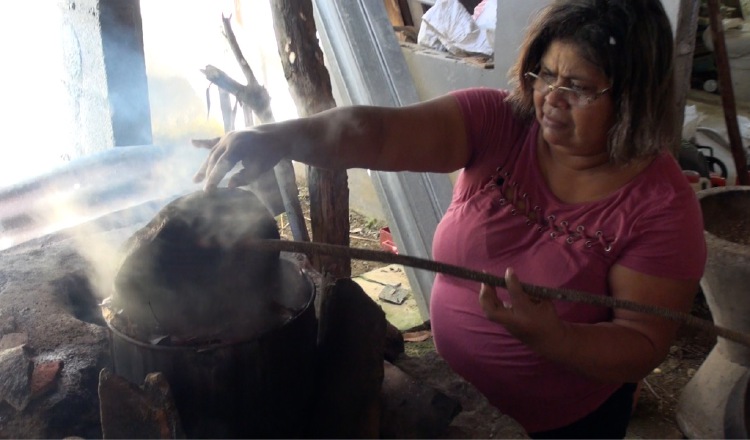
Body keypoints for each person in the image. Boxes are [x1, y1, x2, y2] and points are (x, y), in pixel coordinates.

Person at [193, 0, 707, 437]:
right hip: (443, 392)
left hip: (556, 425)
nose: (551, 98)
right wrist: (282, 137)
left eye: (578, 87)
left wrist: (557, 339)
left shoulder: (659, 207)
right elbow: (379, 134)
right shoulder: (500, 123)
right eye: (545, 74)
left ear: (631, 99)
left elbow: (641, 345)